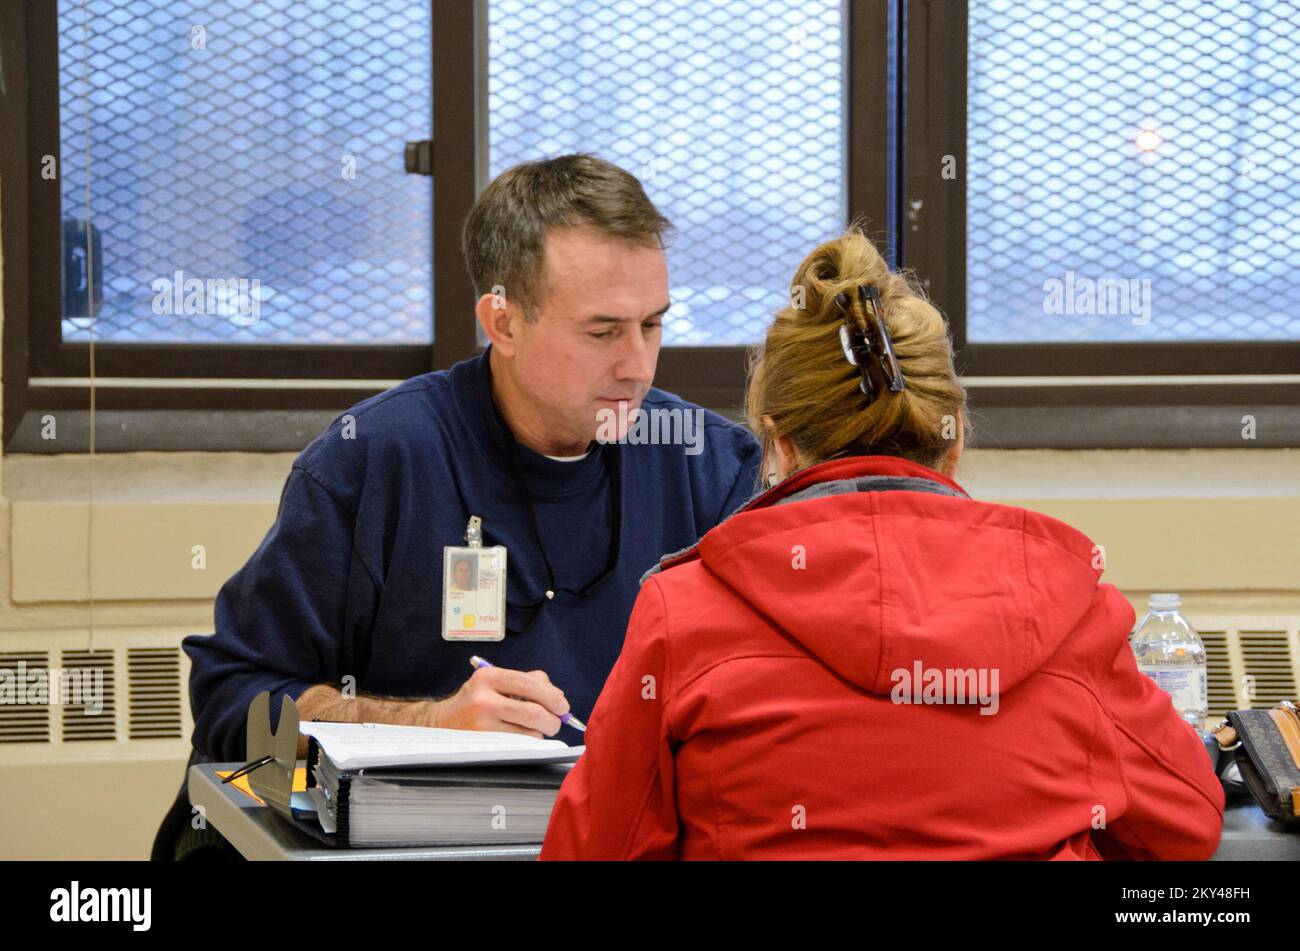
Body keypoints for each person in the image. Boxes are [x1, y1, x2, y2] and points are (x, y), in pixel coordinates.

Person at [540, 227, 1225, 860]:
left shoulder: (681, 616)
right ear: (953, 438)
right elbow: (1188, 820)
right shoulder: (1073, 606)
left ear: (776, 445)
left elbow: (596, 847)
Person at [181, 154, 761, 764]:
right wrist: (428, 727)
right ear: (503, 323)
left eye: (652, 325)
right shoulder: (377, 460)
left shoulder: (707, 465)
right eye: (602, 332)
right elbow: (234, 700)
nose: (637, 366)